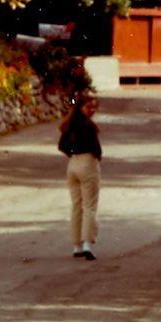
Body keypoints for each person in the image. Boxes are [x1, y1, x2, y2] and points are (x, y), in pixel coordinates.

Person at [59, 90, 103, 258]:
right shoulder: (89, 126)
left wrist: (73, 153)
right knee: (89, 205)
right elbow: (96, 148)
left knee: (76, 205)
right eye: (89, 107)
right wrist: (96, 156)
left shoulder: (69, 124)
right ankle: (87, 244)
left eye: (94, 107)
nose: (92, 110)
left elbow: (62, 145)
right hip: (88, 163)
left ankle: (76, 245)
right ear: (81, 107)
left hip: (72, 165)